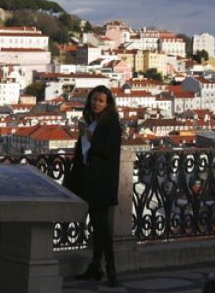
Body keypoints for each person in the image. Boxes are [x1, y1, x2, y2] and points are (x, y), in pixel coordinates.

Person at [71, 85, 122, 287]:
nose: (96, 103)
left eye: (101, 100)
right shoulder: (90, 122)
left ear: (108, 104)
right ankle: (96, 267)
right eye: (94, 99)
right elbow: (82, 152)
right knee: (97, 226)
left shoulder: (112, 124)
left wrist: (91, 139)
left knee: (102, 227)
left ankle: (111, 270)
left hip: (101, 182)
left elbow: (109, 151)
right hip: (88, 180)